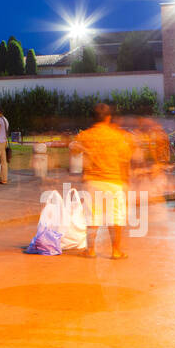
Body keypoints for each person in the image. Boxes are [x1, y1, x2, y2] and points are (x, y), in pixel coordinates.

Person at [75, 103, 133, 259]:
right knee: (115, 217)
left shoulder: (85, 135)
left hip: (92, 181)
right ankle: (116, 251)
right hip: (113, 181)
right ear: (108, 118)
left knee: (92, 217)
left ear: (93, 118)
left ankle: (91, 250)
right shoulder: (118, 136)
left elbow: (74, 152)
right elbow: (125, 160)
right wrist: (126, 180)